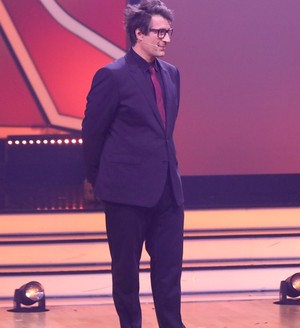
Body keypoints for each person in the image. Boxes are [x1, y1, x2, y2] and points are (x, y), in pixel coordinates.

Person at [82, 1, 185, 327]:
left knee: (169, 268)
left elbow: (163, 131)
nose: (166, 39)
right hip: (125, 192)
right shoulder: (112, 76)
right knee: (126, 271)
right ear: (138, 33)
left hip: (168, 189)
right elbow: (93, 132)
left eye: (169, 32)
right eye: (160, 32)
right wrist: (98, 180)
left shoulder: (171, 74)